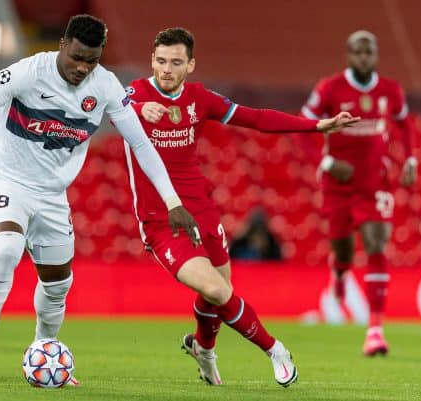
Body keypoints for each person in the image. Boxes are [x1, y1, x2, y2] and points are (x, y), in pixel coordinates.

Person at [0, 15, 201, 384]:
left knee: (57, 284)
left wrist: (172, 201)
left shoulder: (104, 87)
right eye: (77, 57)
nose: (82, 67)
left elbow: (141, 143)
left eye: (92, 60)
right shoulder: (28, 72)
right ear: (63, 44)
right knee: (6, 249)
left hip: (52, 196)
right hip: (7, 182)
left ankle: (45, 351)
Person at [125, 27, 358, 387]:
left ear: (190, 65)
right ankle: (275, 349)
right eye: (160, 61)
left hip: (201, 211)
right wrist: (139, 108)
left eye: (175, 62)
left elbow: (257, 118)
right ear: (152, 60)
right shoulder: (133, 94)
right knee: (219, 292)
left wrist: (316, 126)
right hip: (160, 220)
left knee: (216, 295)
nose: (166, 69)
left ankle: (203, 349)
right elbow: (105, 110)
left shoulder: (199, 98)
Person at [301, 30, 417, 356]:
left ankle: (375, 331)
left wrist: (410, 159)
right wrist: (326, 161)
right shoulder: (329, 88)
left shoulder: (390, 90)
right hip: (337, 185)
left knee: (378, 243)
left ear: (376, 54)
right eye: (357, 52)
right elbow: (303, 128)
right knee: (345, 252)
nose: (364, 57)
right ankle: (339, 271)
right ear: (348, 55)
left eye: (369, 52)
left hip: (375, 182)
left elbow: (405, 123)